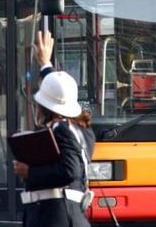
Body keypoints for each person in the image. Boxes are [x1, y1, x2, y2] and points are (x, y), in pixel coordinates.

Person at [13, 30, 95, 227]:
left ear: (45, 107)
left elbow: (70, 170)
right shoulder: (83, 130)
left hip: (55, 217)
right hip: (68, 215)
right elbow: (59, 91)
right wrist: (45, 64)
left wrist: (29, 172)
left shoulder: (61, 130)